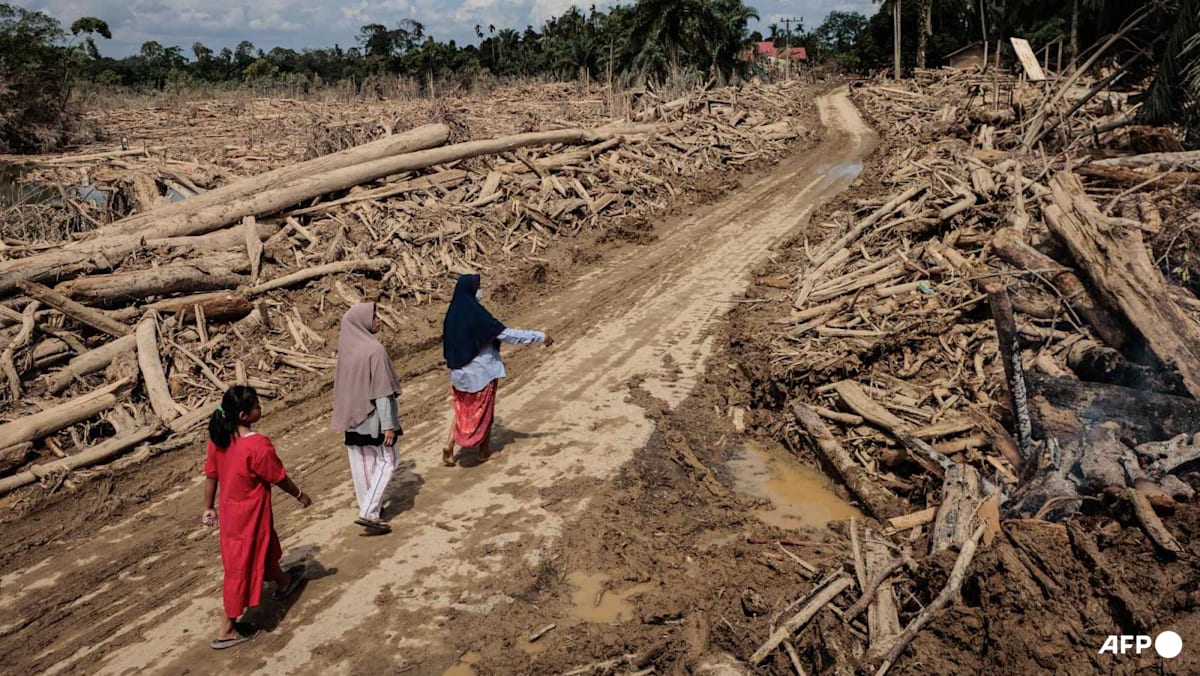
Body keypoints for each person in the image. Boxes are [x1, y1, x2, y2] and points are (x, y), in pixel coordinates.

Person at [202, 385, 312, 650]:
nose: (260, 409)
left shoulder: (220, 439)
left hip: (230, 513)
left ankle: (284, 582)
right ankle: (227, 628)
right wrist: (300, 495)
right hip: (250, 515)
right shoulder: (257, 446)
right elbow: (279, 477)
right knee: (241, 567)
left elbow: (211, 475)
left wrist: (208, 507)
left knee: (258, 551)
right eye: (256, 406)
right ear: (243, 415)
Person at [441, 273, 553, 466]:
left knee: (462, 409)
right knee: (486, 411)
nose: (480, 291)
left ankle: (449, 445)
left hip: (458, 373)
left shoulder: (453, 313)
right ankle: (483, 451)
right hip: (481, 372)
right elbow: (505, 334)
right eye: (478, 287)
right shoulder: (476, 314)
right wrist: (539, 336)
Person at [331, 302, 403, 535]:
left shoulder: (347, 351)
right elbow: (382, 393)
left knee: (362, 467)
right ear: (362, 322)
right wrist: (389, 426)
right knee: (388, 462)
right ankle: (369, 512)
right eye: (374, 317)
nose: (379, 320)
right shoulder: (375, 350)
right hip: (374, 421)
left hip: (352, 420)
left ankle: (370, 510)